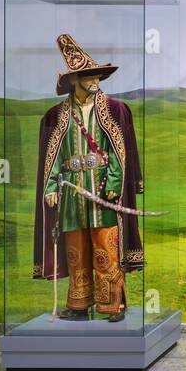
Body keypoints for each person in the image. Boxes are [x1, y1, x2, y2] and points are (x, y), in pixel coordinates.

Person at [33, 34, 143, 322]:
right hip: (71, 195)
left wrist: (116, 184)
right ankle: (79, 306)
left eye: (96, 74)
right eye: (87, 75)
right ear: (73, 80)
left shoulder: (115, 110)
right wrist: (51, 186)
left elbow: (121, 151)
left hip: (103, 192)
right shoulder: (57, 116)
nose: (94, 79)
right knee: (76, 251)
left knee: (105, 247)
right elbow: (52, 155)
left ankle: (112, 305)